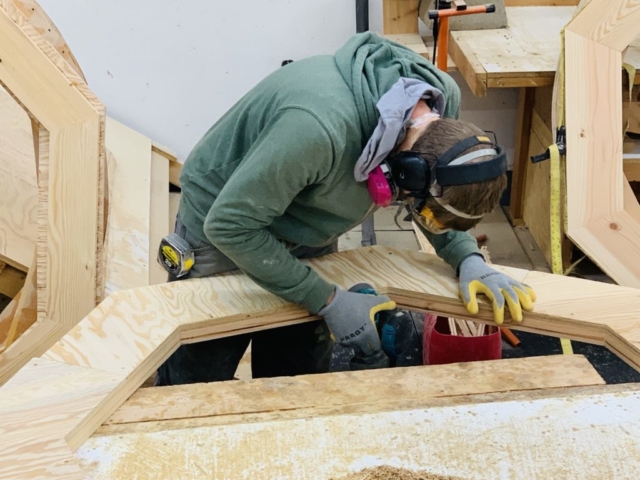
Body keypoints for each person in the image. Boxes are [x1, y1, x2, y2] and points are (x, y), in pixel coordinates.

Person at [155, 32, 536, 386]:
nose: (425, 218)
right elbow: (231, 226)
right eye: (420, 206)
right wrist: (328, 299)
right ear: (408, 172)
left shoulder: (441, 100)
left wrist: (468, 257)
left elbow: (438, 203)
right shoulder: (319, 130)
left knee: (298, 378)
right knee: (199, 379)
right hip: (224, 225)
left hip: (305, 223)